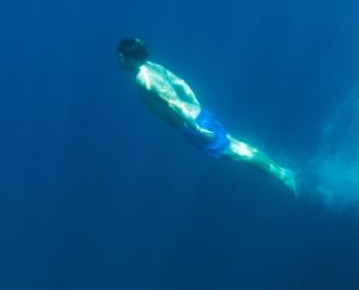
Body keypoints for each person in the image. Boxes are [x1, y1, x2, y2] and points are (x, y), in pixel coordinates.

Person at [117, 37, 297, 195]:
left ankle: (283, 175)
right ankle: (281, 170)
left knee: (235, 154)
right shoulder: (153, 66)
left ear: (130, 57)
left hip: (192, 124)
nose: (119, 60)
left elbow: (173, 104)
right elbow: (180, 82)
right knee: (236, 145)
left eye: (121, 57)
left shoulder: (143, 79)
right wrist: (195, 104)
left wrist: (197, 129)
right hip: (196, 114)